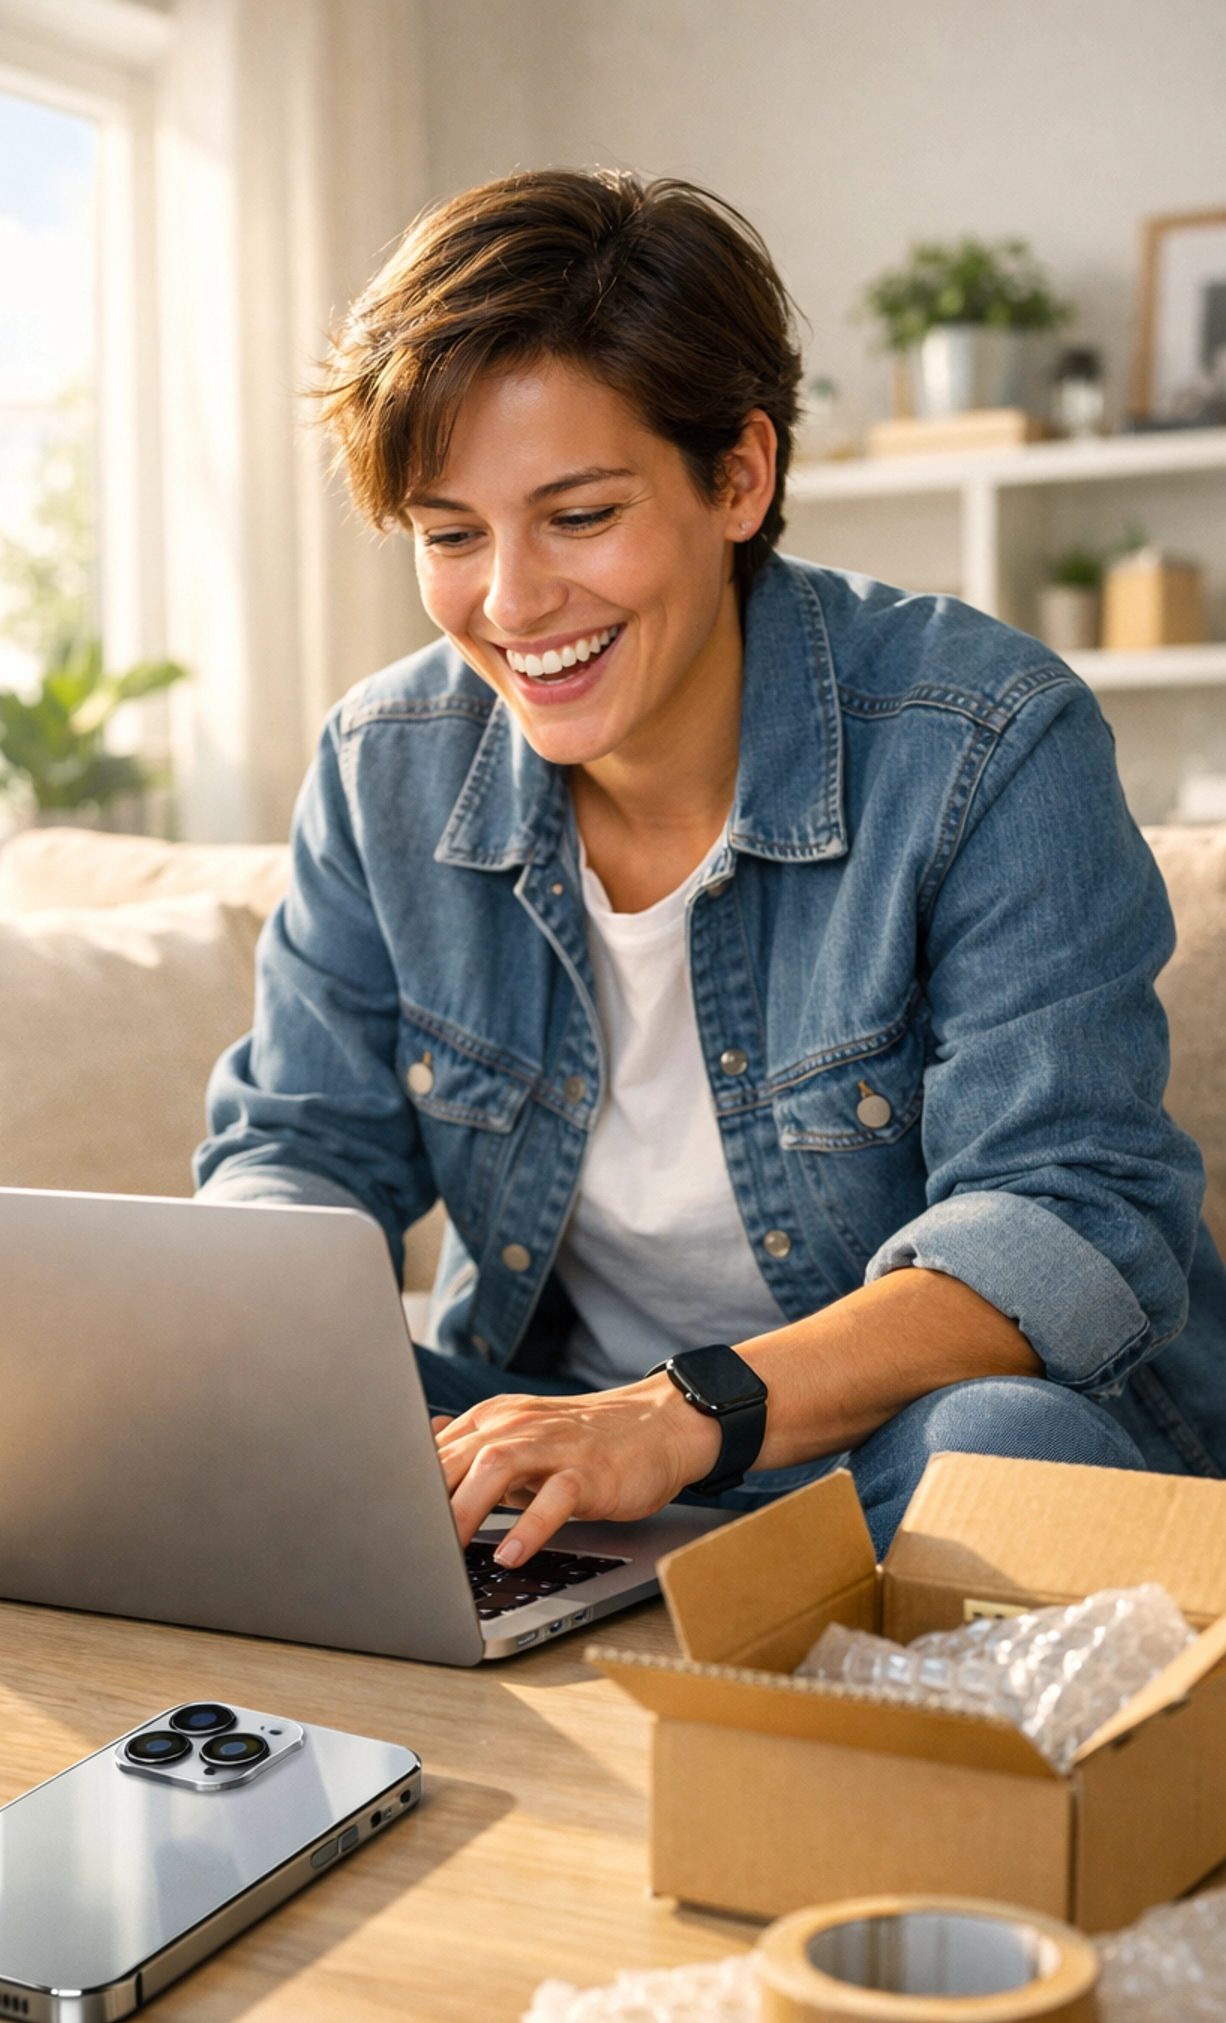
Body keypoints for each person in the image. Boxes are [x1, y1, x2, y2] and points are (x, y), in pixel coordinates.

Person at [195, 168, 1226, 1575]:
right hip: (577, 1443)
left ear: (740, 476)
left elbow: (1066, 1220)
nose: (509, 604)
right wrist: (239, 1341)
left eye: (578, 515)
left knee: (1010, 1454)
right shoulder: (386, 762)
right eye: (450, 535)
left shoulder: (983, 739)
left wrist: (684, 1414)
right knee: (223, 1435)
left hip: (882, 1445)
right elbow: (297, 1146)